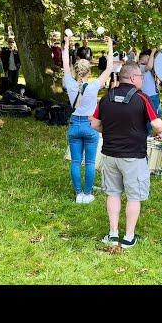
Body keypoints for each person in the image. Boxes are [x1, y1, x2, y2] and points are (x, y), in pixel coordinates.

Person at [91, 62, 162, 249]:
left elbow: (95, 124)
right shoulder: (142, 98)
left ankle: (113, 234)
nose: (141, 79)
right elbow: (157, 125)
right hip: (134, 156)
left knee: (113, 193)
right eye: (140, 76)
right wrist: (158, 132)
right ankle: (129, 237)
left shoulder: (106, 98)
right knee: (134, 196)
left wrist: (109, 131)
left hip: (109, 154)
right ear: (132, 78)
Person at [63, 34, 114, 204]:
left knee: (76, 161)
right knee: (90, 163)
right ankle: (88, 193)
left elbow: (65, 63)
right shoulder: (93, 86)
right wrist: (110, 46)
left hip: (74, 124)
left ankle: (78, 194)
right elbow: (109, 69)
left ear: (75, 70)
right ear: (89, 71)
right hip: (90, 125)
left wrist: (67, 43)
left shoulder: (69, 83)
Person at [138, 48, 162, 134]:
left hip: (154, 95)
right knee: (149, 117)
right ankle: (147, 135)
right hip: (148, 96)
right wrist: (152, 52)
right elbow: (149, 66)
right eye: (148, 58)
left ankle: (158, 133)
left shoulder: (148, 67)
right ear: (142, 57)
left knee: (158, 115)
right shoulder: (140, 66)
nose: (150, 59)